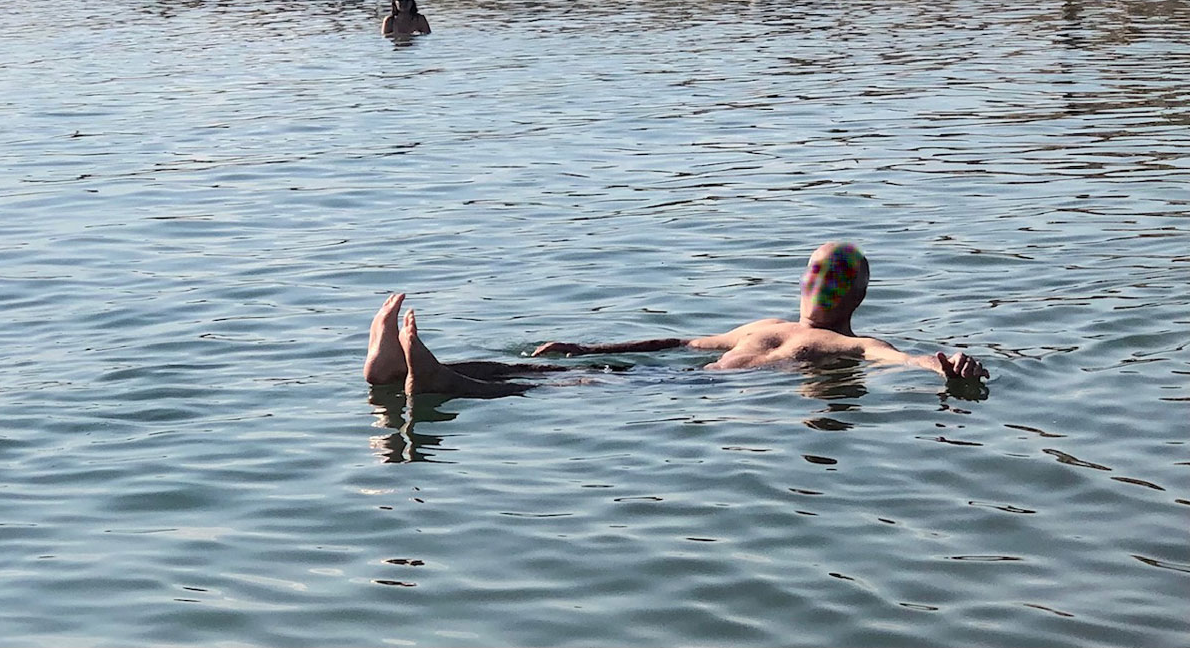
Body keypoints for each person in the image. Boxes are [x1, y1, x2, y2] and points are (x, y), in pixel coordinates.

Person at [363, 242, 989, 397]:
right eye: (813, 272)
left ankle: (439, 380)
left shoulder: (850, 343)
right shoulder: (761, 325)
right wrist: (583, 345)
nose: (816, 284)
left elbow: (899, 359)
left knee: (566, 390)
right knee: (552, 370)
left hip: (699, 390)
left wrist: (943, 364)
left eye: (830, 277)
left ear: (852, 296)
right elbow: (676, 341)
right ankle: (401, 369)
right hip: (680, 376)